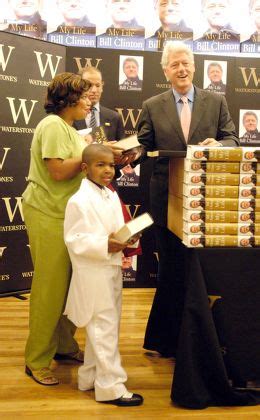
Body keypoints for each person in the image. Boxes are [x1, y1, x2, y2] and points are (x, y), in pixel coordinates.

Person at [136, 41, 239, 357]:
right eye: (175, 64)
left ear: (194, 66)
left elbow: (232, 137)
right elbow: (141, 146)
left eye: (186, 63)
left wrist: (218, 147)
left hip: (205, 197)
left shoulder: (216, 101)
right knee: (171, 267)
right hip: (166, 198)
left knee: (200, 268)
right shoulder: (152, 105)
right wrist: (121, 153)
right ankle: (165, 341)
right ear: (165, 70)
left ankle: (201, 342)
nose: (181, 69)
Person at [22, 72, 93, 386]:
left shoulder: (69, 129)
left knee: (67, 287)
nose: (90, 102)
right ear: (70, 99)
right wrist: (90, 156)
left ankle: (64, 346)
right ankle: (36, 359)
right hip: (48, 213)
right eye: (85, 97)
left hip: (66, 215)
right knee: (50, 289)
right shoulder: (52, 125)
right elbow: (58, 170)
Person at [63, 144, 143, 406]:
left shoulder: (108, 195)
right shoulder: (78, 200)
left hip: (110, 268)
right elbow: (74, 239)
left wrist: (128, 235)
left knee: (106, 326)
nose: (108, 170)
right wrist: (103, 244)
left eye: (111, 165)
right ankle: (111, 387)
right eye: (100, 165)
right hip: (94, 272)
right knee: (103, 329)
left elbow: (113, 229)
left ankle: (90, 377)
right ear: (85, 168)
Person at [73, 66, 125, 141]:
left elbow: (121, 148)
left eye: (98, 85)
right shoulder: (70, 115)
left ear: (102, 86)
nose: (94, 90)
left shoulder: (115, 118)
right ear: (79, 86)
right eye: (89, 85)